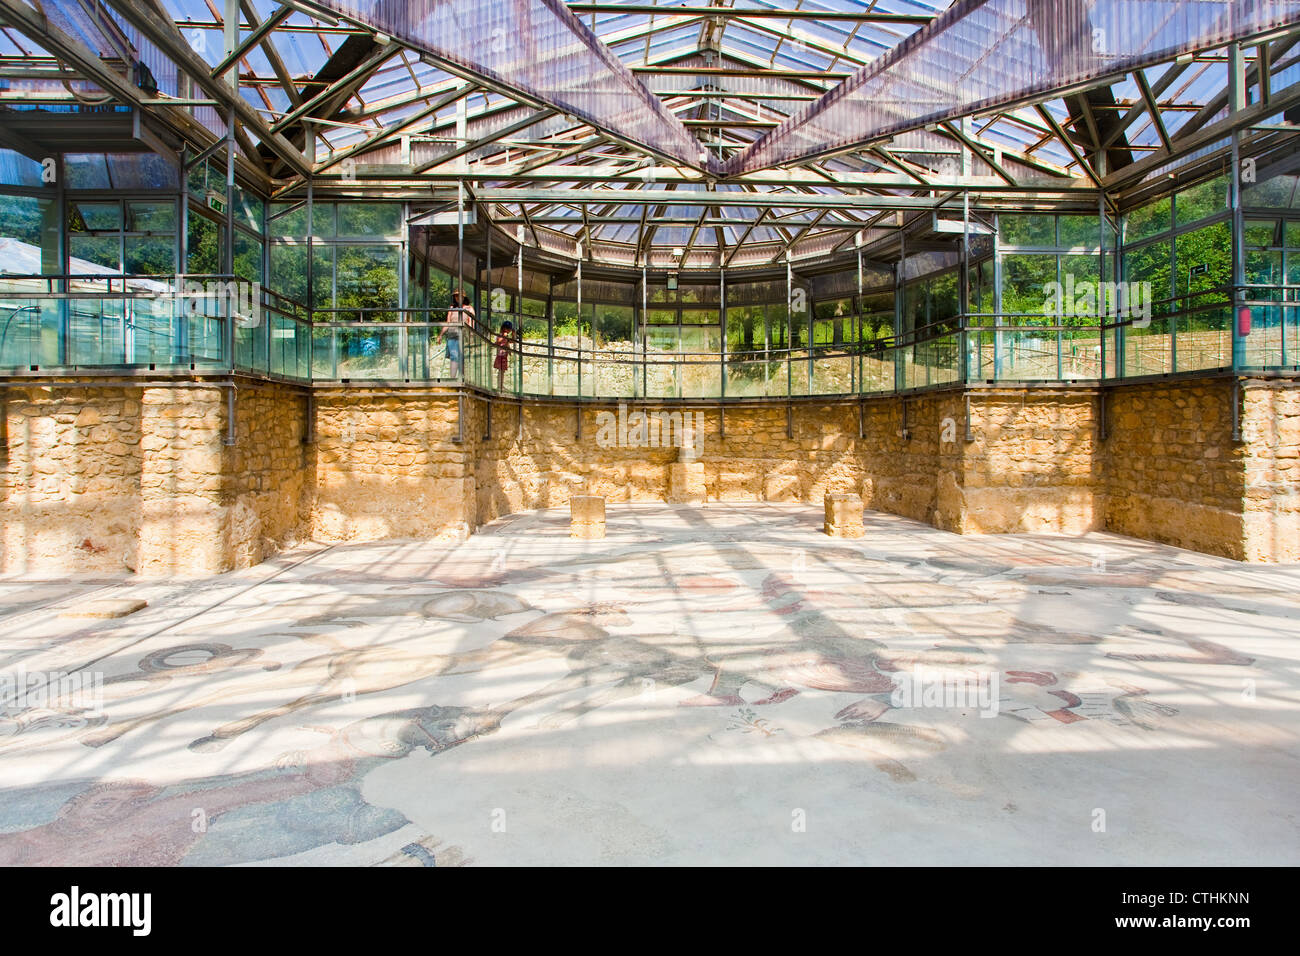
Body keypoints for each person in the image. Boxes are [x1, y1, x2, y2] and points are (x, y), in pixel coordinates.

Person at [436, 288, 474, 378]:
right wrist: (440, 335)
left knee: (462, 357)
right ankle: (452, 378)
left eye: (459, 296)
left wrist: (471, 337)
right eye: (456, 296)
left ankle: (463, 378)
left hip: (463, 336)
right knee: (454, 356)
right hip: (452, 335)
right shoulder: (452, 308)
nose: (457, 297)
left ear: (463, 297)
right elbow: (448, 323)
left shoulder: (469, 308)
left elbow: (471, 324)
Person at [494, 320, 513, 391]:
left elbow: (508, 343)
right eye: (506, 329)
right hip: (500, 355)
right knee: (500, 371)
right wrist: (503, 336)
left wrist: (509, 351)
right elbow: (497, 342)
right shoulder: (500, 335)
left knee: (502, 371)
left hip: (504, 356)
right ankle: (499, 386)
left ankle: (501, 385)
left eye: (508, 329)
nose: (507, 330)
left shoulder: (506, 336)